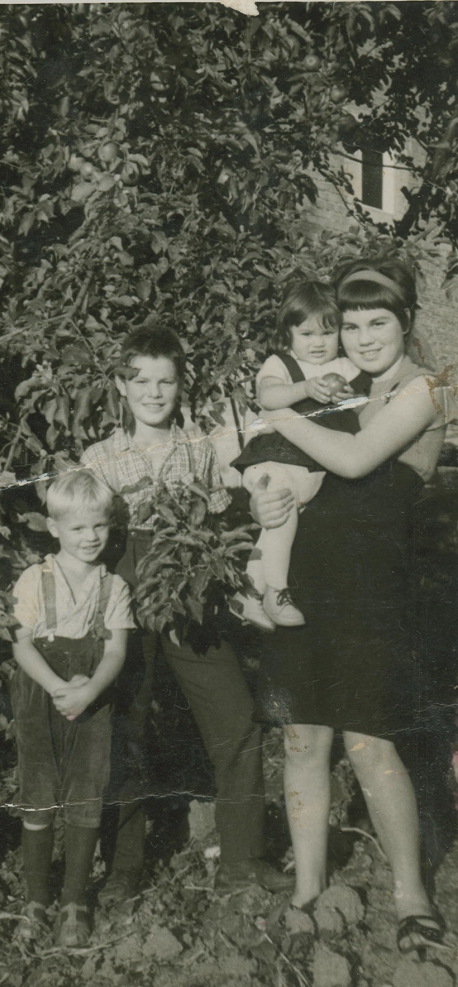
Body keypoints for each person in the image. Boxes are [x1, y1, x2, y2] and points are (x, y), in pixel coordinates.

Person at [249, 258, 457, 954]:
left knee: (370, 738)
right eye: (353, 325)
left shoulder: (429, 386)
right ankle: (308, 889)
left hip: (372, 583)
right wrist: (265, 499)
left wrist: (277, 410)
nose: (363, 338)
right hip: (309, 574)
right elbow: (290, 470)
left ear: (407, 322)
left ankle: (411, 896)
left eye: (379, 323)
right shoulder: (341, 384)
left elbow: (355, 458)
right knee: (303, 737)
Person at [81, 326, 293, 904]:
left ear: (180, 386)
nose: (154, 393)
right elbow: (84, 538)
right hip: (124, 596)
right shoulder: (99, 458)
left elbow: (222, 518)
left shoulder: (199, 448)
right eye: (141, 382)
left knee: (236, 717)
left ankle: (242, 860)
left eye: (166, 382)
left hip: (189, 594)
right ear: (121, 386)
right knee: (126, 724)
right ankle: (123, 865)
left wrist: (255, 504)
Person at [10, 470, 134, 947]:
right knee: (38, 793)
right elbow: (21, 644)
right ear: (53, 527)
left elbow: (116, 652)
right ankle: (36, 900)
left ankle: (74, 901)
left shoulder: (113, 587)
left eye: (99, 526)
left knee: (86, 793)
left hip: (92, 700)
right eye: (78, 527)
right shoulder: (34, 579)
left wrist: (89, 690)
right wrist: (59, 687)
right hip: (40, 697)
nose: (90, 537)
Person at [231, 281, 370, 630]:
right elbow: (268, 397)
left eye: (327, 332)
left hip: (310, 468)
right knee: (281, 506)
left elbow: (365, 405)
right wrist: (305, 388)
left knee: (278, 523)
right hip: (274, 459)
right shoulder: (282, 363)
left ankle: (248, 594)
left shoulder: (345, 366)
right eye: (307, 334)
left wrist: (350, 399)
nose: (318, 343)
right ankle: (277, 591)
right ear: (288, 334)